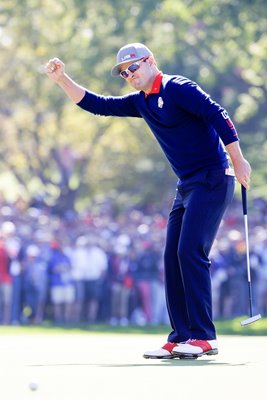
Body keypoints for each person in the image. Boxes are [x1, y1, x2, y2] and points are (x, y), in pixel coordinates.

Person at [45, 42, 251, 358]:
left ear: (150, 61)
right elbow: (98, 104)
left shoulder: (177, 87)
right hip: (187, 185)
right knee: (171, 256)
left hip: (213, 177)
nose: (129, 74)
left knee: (190, 251)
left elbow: (217, 113)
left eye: (134, 67)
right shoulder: (142, 101)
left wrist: (238, 159)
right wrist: (62, 80)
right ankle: (181, 335)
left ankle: (203, 336)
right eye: (124, 72)